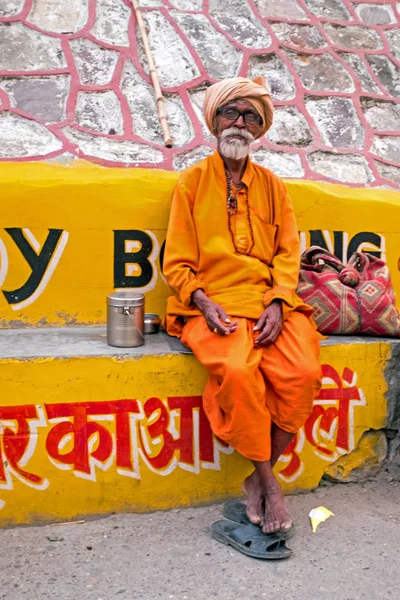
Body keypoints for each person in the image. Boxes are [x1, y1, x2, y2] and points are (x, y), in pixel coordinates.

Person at [163, 76, 322, 536]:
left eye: (251, 116)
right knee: (236, 373)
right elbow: (176, 261)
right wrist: (203, 301)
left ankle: (257, 475)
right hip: (212, 306)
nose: (240, 123)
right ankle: (270, 484)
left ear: (260, 128)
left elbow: (288, 255)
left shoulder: (273, 185)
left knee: (304, 373)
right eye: (231, 113)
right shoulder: (191, 182)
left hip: (270, 304)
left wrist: (277, 302)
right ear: (214, 121)